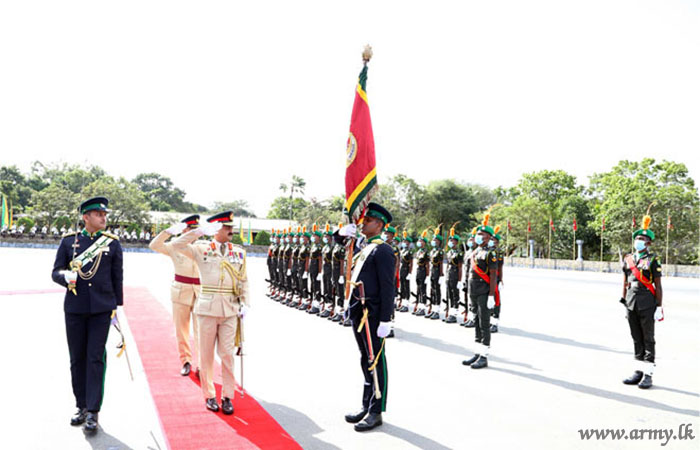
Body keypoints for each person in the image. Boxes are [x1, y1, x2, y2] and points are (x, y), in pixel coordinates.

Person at [51, 196, 123, 435]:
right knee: (77, 358)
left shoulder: (112, 243)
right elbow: (55, 271)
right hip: (75, 307)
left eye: (104, 215)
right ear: (86, 217)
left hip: (101, 309)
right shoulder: (69, 242)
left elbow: (117, 278)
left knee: (95, 358)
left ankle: (93, 410)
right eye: (99, 215)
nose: (104, 218)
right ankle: (80, 405)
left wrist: (116, 308)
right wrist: (65, 277)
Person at [172, 211, 249, 414]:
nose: (231, 230)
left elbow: (243, 280)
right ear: (215, 229)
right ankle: (209, 395)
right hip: (206, 309)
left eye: (231, 226)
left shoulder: (239, 252)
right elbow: (176, 245)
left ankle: (227, 396)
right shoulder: (201, 249)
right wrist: (198, 232)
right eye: (226, 227)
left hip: (230, 309)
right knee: (205, 356)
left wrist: (245, 302)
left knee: (227, 355)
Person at [343, 202, 395, 432]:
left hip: (373, 314)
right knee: (365, 358)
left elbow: (388, 287)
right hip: (358, 310)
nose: (363, 223)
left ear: (379, 224)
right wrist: (342, 232)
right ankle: (366, 404)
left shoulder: (383, 250)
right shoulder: (364, 246)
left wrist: (386, 319)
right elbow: (340, 245)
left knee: (376, 360)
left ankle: (377, 410)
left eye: (368, 220)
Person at [149, 215, 202, 376]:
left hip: (201, 290)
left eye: (195, 230)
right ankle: (185, 361)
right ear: (183, 230)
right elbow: (154, 245)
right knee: (182, 330)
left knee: (202, 331)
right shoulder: (174, 246)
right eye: (189, 229)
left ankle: (201, 365)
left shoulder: (204, 246)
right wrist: (168, 232)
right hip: (181, 290)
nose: (191, 233)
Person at [621, 214, 663, 389]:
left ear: (648, 243)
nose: (639, 241)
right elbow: (625, 280)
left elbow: (658, 285)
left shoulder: (653, 259)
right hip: (631, 302)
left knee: (648, 339)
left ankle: (648, 374)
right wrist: (624, 300)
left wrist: (659, 306)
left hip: (647, 302)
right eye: (637, 238)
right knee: (636, 338)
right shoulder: (628, 259)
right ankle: (638, 371)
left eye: (643, 239)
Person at [462, 214, 498, 370]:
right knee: (476, 321)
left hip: (484, 292)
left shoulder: (490, 253)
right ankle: (477, 352)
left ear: (488, 237)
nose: (478, 236)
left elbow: (493, 275)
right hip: (473, 291)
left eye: (482, 234)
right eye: (477, 234)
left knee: (484, 323)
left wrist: (491, 295)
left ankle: (484, 356)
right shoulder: (474, 252)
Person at [445, 225, 463, 324]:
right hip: (449, 275)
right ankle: (450, 312)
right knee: (449, 294)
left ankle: (454, 314)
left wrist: (460, 280)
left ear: (456, 242)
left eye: (453, 241)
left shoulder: (459, 253)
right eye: (450, 241)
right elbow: (448, 265)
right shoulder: (449, 252)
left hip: (456, 274)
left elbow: (460, 267)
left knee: (455, 294)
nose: (451, 242)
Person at [490, 226, 505, 333]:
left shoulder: (499, 252)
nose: (492, 243)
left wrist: (500, 280)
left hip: (496, 279)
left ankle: (495, 322)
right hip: (487, 279)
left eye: (494, 241)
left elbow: (500, 267)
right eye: (491, 240)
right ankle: (489, 320)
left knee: (496, 300)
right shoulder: (486, 251)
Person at [427, 228, 444, 320]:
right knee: (432, 290)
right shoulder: (432, 251)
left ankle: (437, 310)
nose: (433, 241)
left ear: (439, 242)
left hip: (437, 272)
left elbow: (441, 264)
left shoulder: (440, 251)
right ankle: (433, 309)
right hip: (432, 272)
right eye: (433, 239)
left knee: (437, 290)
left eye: (435, 240)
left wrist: (441, 275)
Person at [412, 230, 430, 316]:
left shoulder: (426, 252)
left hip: (423, 271)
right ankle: (419, 306)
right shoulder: (419, 251)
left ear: (424, 243)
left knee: (423, 289)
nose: (419, 242)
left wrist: (427, 275)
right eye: (419, 241)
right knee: (418, 289)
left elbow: (427, 265)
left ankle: (423, 307)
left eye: (421, 241)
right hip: (418, 271)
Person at [320, 224, 335, 318]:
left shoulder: (332, 247)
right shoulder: (325, 247)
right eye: (324, 236)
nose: (325, 238)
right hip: (325, 269)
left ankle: (330, 307)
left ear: (330, 238)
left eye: (327, 236)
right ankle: (326, 305)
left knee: (330, 288)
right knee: (325, 287)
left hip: (330, 269)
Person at [398, 231, 413, 313]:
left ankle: (406, 304)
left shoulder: (409, 251)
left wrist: (410, 273)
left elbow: (411, 263)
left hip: (406, 270)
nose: (404, 242)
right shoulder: (402, 251)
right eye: (403, 241)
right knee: (402, 286)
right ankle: (403, 302)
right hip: (401, 269)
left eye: (405, 241)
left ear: (408, 243)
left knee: (406, 287)